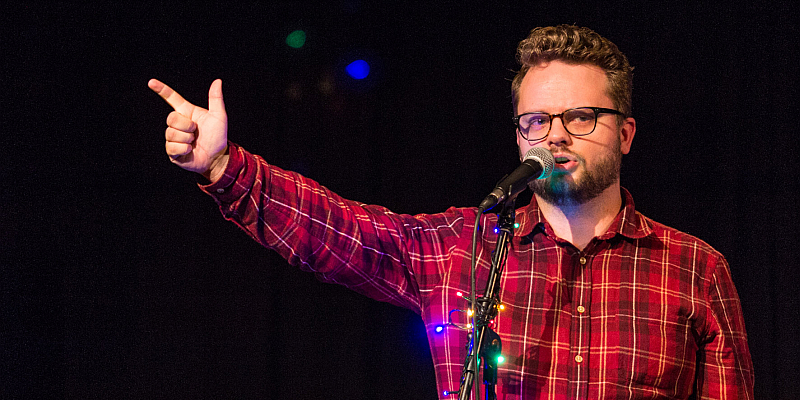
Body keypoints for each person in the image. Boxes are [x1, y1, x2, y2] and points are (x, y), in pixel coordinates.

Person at [149, 25, 753, 399]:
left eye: (581, 117)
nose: (556, 136)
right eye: (537, 121)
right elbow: (338, 231)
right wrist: (224, 167)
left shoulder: (694, 269)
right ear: (519, 136)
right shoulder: (467, 247)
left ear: (625, 134)